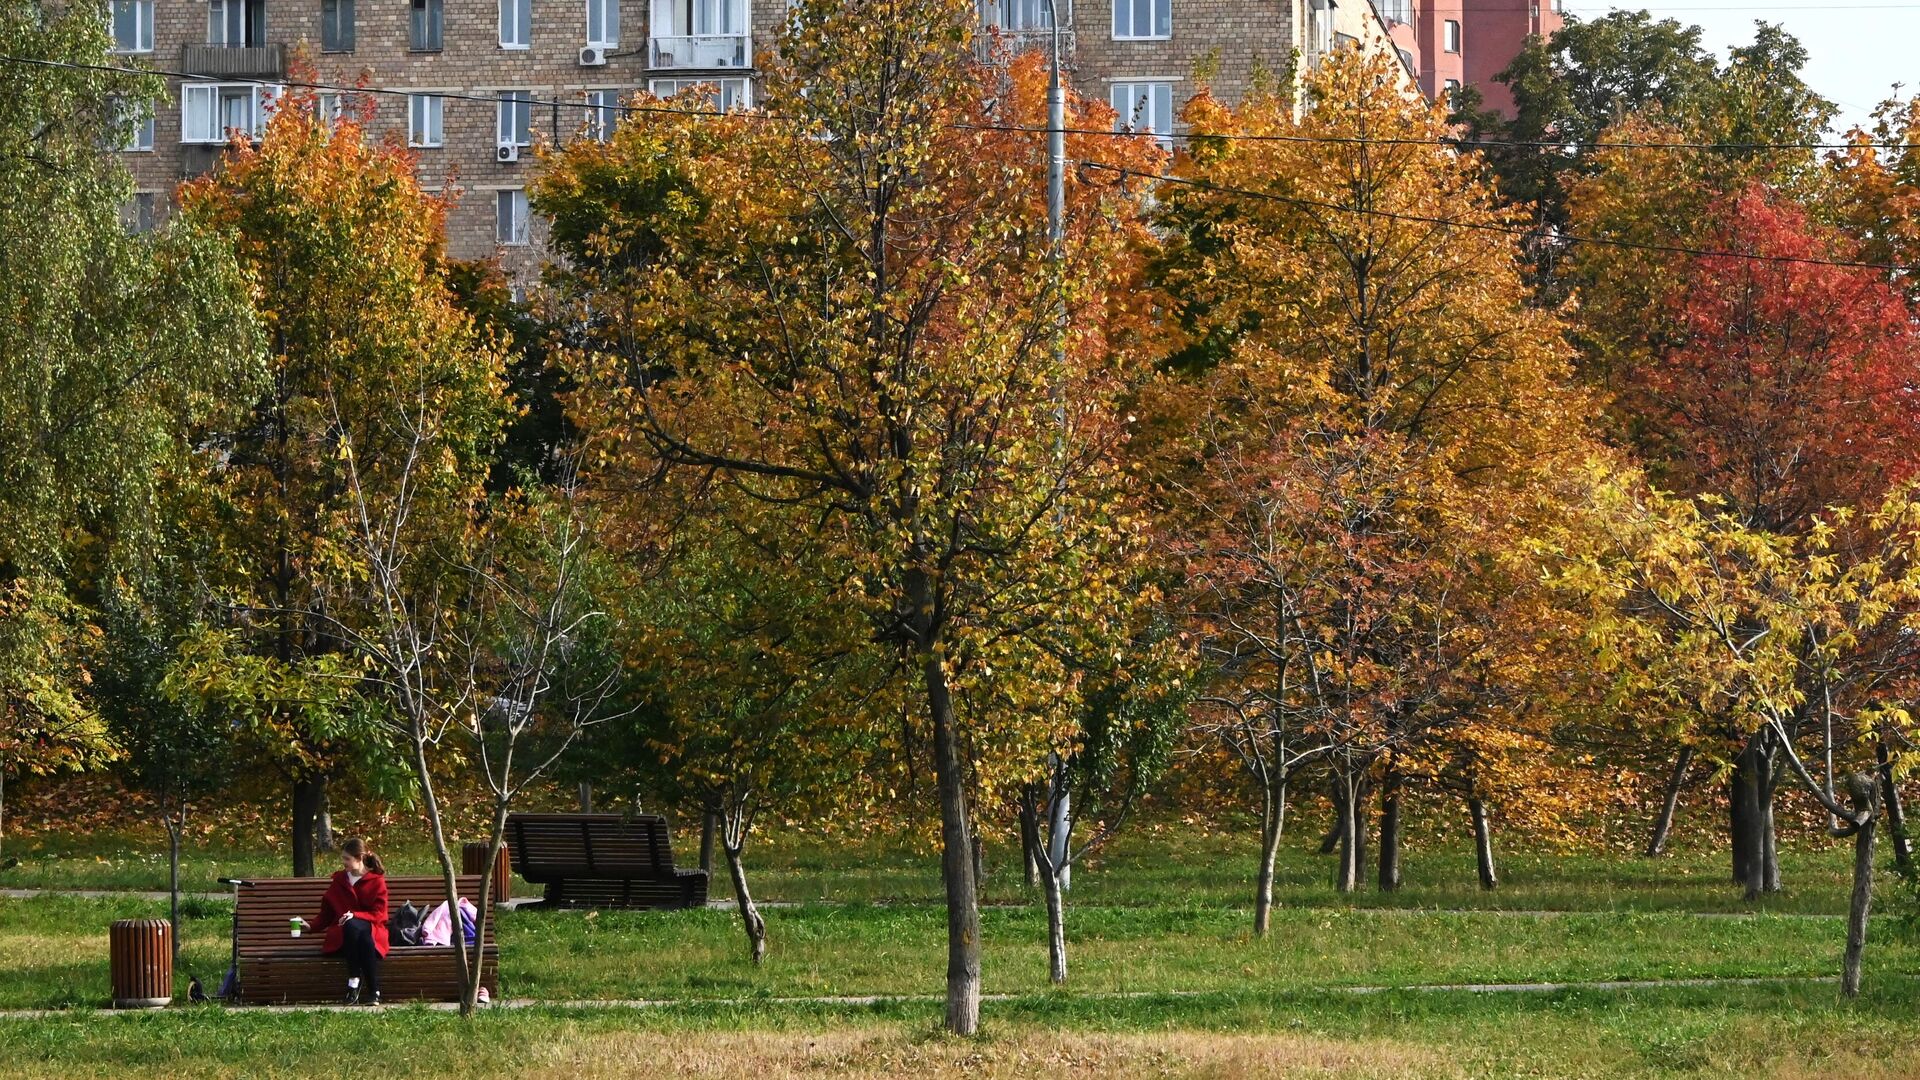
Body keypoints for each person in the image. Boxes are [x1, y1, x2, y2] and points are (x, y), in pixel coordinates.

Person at [308, 836, 389, 1005]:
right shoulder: (339, 880)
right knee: (352, 928)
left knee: (360, 932)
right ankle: (374, 990)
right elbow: (327, 912)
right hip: (344, 938)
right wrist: (310, 926)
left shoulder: (376, 881)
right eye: (343, 858)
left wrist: (355, 915)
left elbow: (380, 915)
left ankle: (354, 983)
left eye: (347, 859)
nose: (343, 863)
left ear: (359, 859)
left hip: (372, 933)